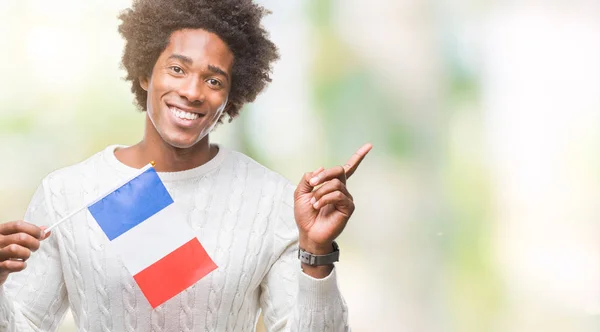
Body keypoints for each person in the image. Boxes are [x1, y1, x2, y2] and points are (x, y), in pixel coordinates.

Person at [0, 0, 371, 331]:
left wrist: (317, 252)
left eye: (213, 80)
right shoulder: (69, 191)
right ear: (146, 73)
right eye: (178, 69)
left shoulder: (270, 199)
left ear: (230, 96)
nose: (193, 92)